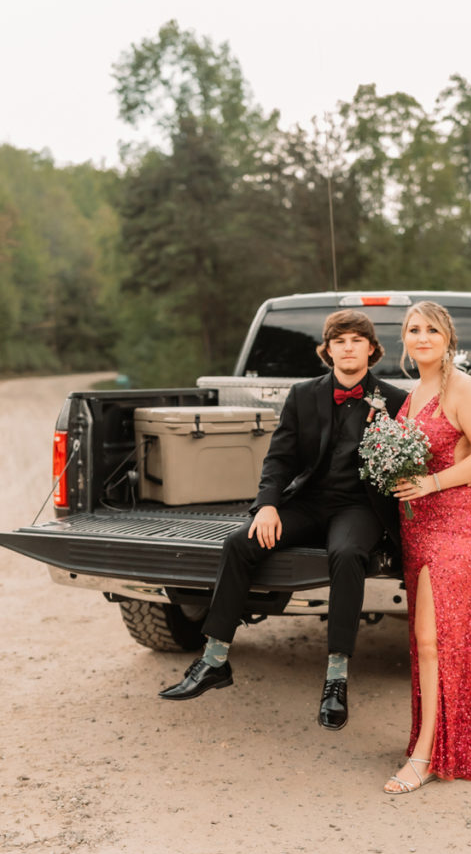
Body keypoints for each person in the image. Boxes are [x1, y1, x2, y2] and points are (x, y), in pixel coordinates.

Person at [159, 309, 407, 731]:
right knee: (240, 542)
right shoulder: (303, 395)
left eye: (356, 340)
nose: (348, 347)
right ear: (327, 350)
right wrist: (268, 505)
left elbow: (406, 463)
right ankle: (214, 660)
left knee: (347, 555)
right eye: (339, 340)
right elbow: (280, 458)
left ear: (371, 349)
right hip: (308, 502)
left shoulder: (397, 400)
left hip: (358, 507)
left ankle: (336, 679)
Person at [383, 301, 471, 793]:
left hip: (458, 529)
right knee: (426, 642)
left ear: (448, 339)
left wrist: (434, 482)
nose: (422, 337)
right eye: (413, 330)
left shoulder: (462, 388)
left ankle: (425, 756)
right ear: (405, 340)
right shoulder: (413, 392)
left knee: (435, 639)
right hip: (419, 530)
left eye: (431, 330)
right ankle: (444, 741)